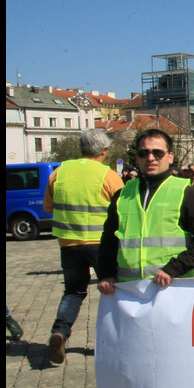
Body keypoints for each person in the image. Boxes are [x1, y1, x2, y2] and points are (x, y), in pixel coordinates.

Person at [97, 129, 194, 293]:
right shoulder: (123, 194)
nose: (150, 158)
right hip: (129, 291)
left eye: (158, 153)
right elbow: (109, 240)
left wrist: (175, 268)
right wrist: (106, 274)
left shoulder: (186, 192)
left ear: (170, 156)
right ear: (137, 156)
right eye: (144, 152)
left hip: (173, 289)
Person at [43, 128, 125, 364]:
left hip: (68, 242)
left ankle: (60, 332)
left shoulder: (60, 171)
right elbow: (122, 209)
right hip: (101, 244)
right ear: (104, 150)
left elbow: (49, 207)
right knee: (113, 290)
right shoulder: (108, 175)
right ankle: (115, 341)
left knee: (74, 291)